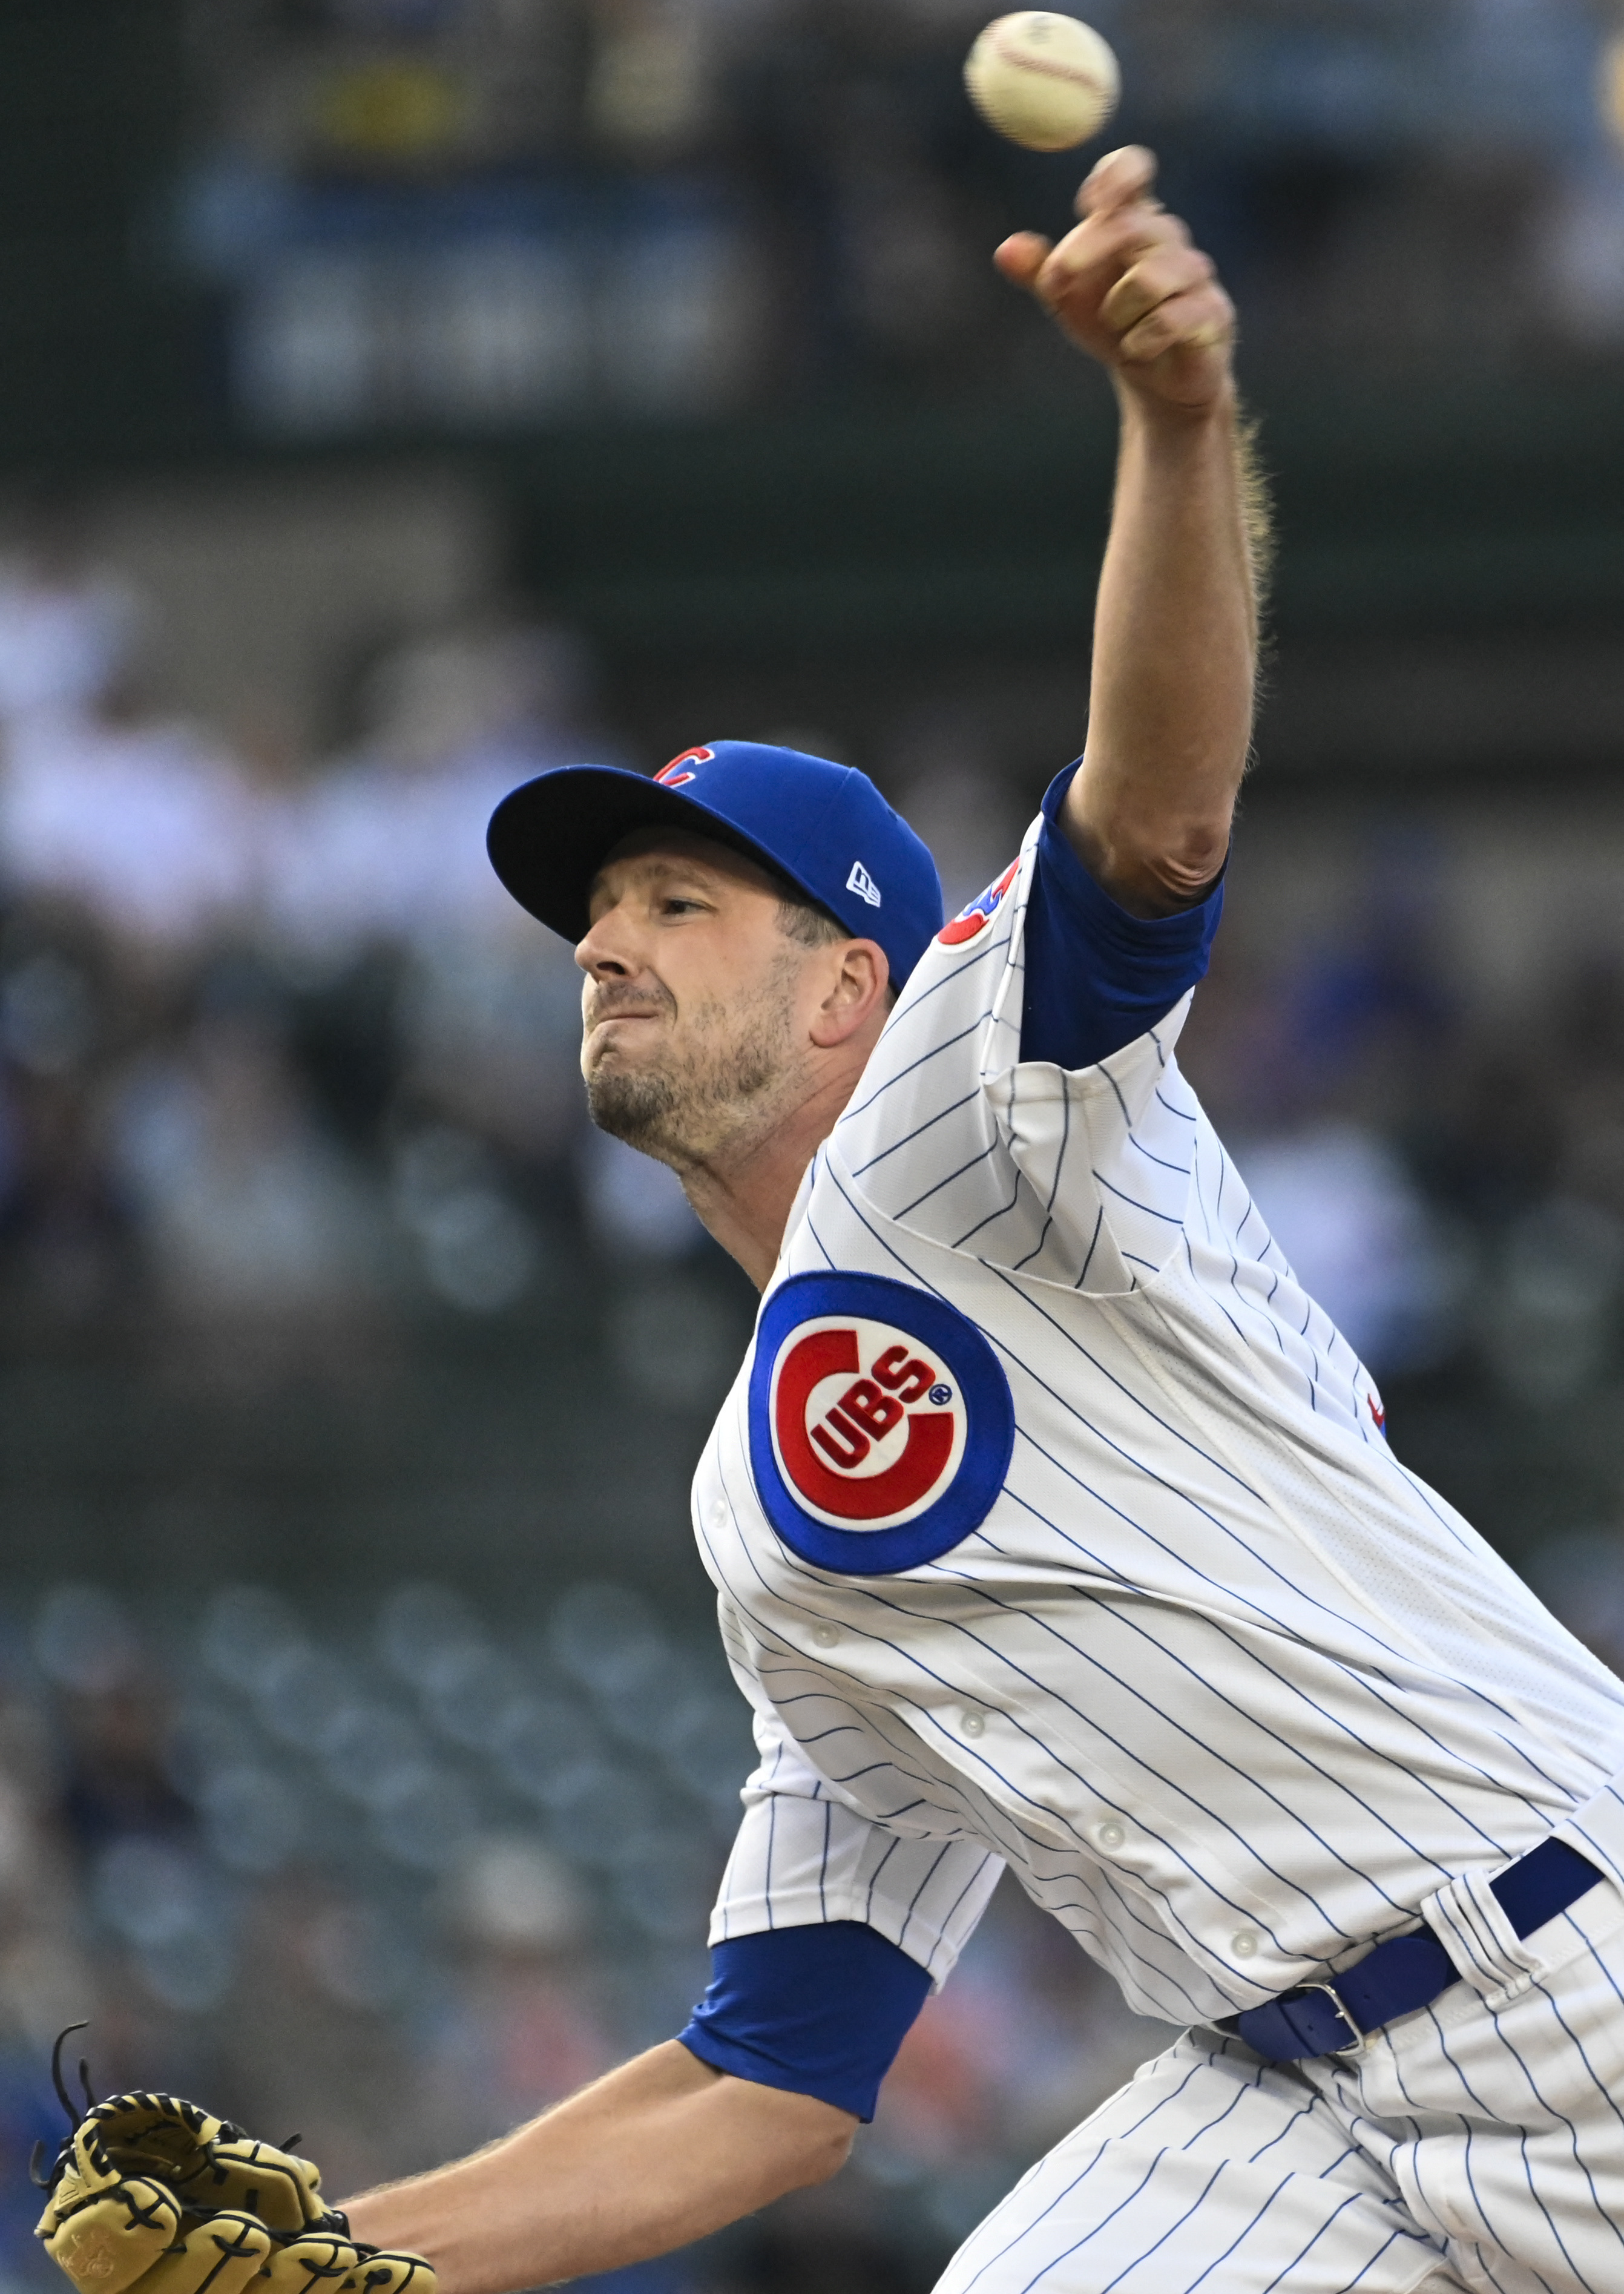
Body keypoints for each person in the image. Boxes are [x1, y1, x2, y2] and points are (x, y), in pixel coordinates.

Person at [343, 147, 1624, 2293]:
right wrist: (326, 2258)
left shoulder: (961, 1112)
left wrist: (1180, 422)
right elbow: (771, 2068)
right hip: (1291, 2091)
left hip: (1572, 1972)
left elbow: (1156, 811)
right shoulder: (756, 1516)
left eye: (678, 904)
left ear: (856, 979)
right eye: (593, 913)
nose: (603, 946)